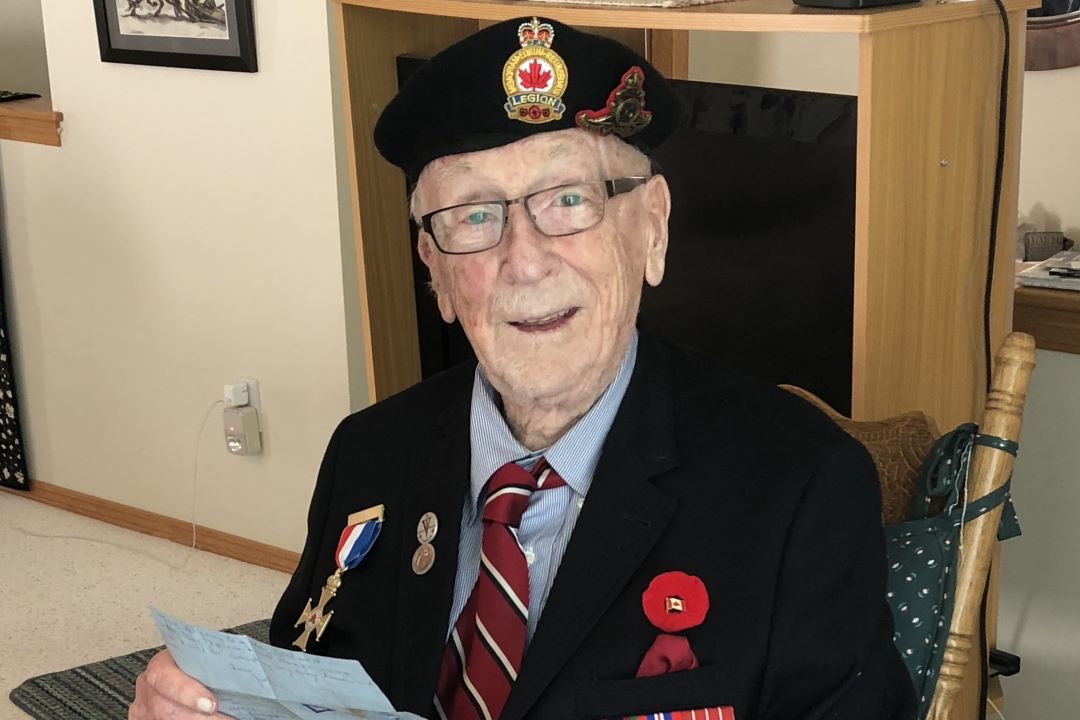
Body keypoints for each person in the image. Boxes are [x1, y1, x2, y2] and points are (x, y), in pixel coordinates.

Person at [129, 17, 916, 720]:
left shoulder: (799, 486)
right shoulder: (368, 454)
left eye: (568, 200)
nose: (524, 260)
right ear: (433, 270)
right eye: (474, 215)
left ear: (652, 228)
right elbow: (304, 681)